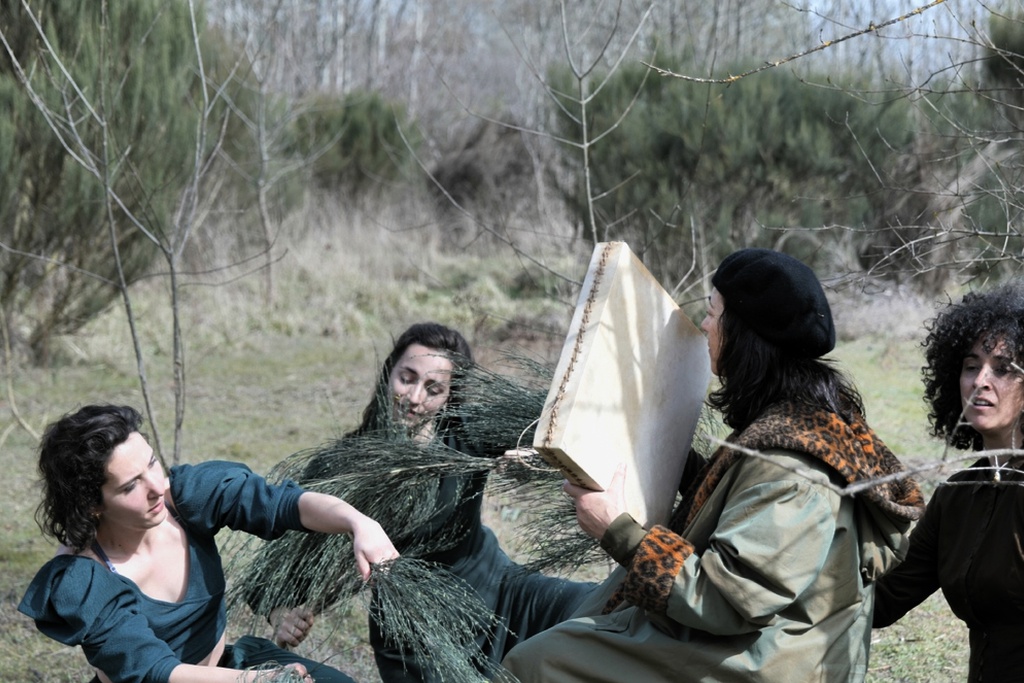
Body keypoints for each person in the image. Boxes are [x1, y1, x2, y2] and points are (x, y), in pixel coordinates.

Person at [500, 247, 925, 683]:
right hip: (760, 641)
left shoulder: (794, 466)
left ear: (746, 335)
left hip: (767, 662)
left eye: (713, 312)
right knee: (571, 632)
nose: (704, 325)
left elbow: (728, 599)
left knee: (539, 663)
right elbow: (745, 508)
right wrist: (665, 457)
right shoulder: (794, 420)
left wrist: (618, 532)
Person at [263, 322, 595, 682]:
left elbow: (550, 431)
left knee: (603, 608)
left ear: (450, 395)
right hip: (416, 635)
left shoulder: (465, 434)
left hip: (503, 595)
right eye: (407, 377)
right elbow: (281, 554)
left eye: (433, 388)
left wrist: (533, 456)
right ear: (389, 372)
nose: (415, 397)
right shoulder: (341, 465)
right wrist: (281, 610)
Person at [18, 403, 399, 683]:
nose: (155, 487)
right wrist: (258, 682)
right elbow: (153, 671)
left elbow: (282, 504)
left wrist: (358, 523)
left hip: (225, 671)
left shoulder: (185, 500)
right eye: (131, 485)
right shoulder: (86, 580)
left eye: (152, 463)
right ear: (92, 504)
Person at [872, 281, 1024, 682]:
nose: (980, 381)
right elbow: (884, 600)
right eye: (971, 366)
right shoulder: (957, 494)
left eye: (1003, 369)